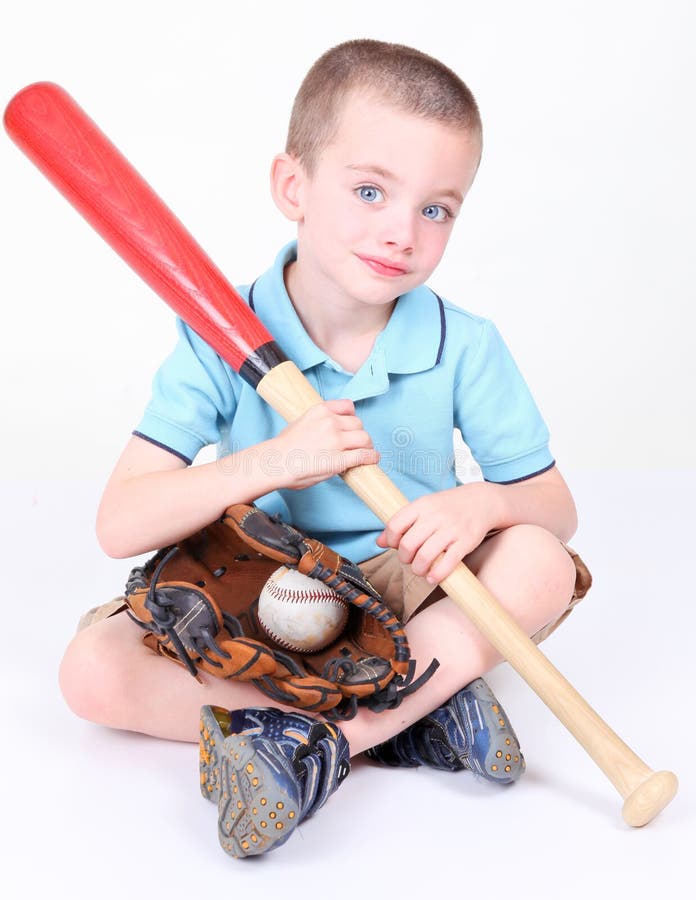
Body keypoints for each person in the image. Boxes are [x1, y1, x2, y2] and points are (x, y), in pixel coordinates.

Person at [59, 39, 591, 857]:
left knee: (540, 562)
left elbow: (554, 509)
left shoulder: (465, 344)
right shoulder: (215, 335)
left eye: (436, 208)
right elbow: (120, 522)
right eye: (371, 190)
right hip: (254, 589)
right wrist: (272, 461)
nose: (402, 233)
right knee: (88, 672)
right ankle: (410, 721)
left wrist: (484, 502)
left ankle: (321, 746)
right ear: (293, 187)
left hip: (405, 590)